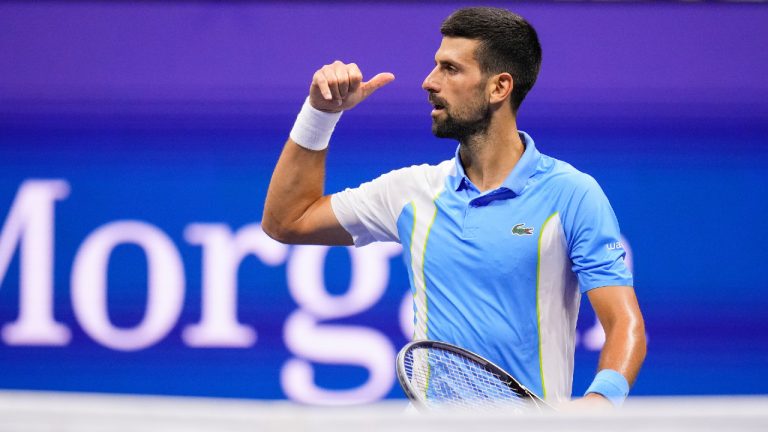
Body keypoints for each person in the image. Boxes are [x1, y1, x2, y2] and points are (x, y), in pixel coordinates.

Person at [263, 7, 646, 408]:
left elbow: (625, 323)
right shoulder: (410, 191)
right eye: (435, 66)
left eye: (450, 69)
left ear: (500, 87)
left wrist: (602, 401)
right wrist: (321, 114)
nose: (429, 82)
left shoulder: (572, 195)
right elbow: (287, 220)